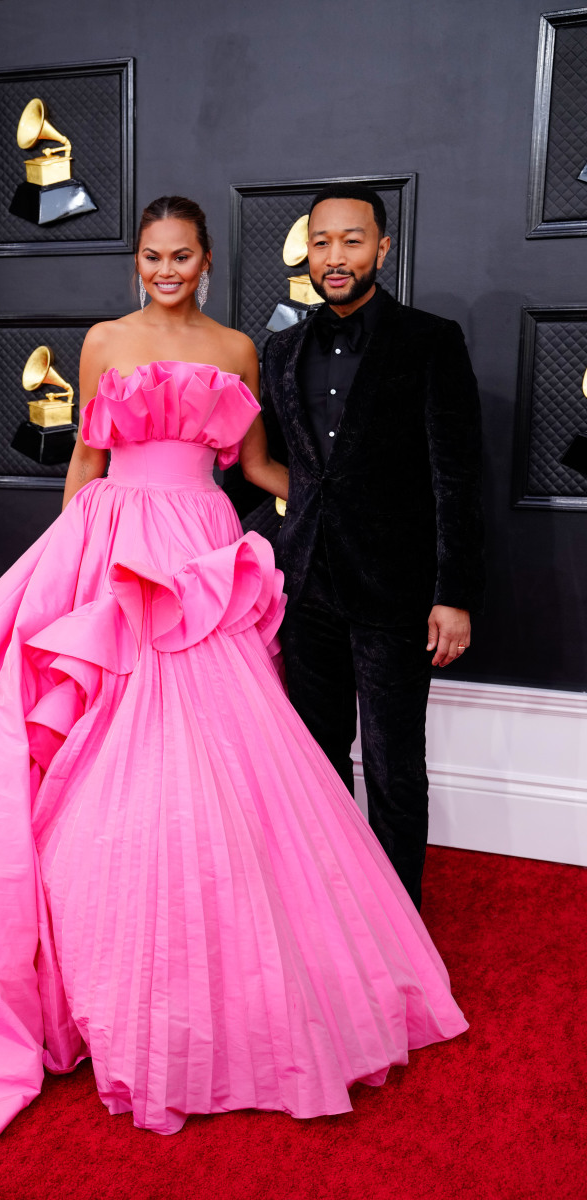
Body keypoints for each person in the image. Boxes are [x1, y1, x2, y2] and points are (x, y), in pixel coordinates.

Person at [0, 196, 467, 1139]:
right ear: (137, 260)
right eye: (152, 256)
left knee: (223, 745)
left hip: (201, 546)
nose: (165, 270)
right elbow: (86, 459)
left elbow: (262, 466)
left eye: (181, 256)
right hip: (116, 542)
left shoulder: (240, 350)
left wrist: (350, 502)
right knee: (96, 728)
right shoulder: (104, 340)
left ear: (208, 260)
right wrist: (67, 557)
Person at [256, 183, 485, 911]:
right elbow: (271, 464)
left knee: (393, 768)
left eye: (352, 240)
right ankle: (330, 908)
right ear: (307, 251)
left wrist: (453, 595)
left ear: (383, 248)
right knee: (316, 761)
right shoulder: (283, 347)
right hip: (306, 589)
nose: (335, 256)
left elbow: (456, 474)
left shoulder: (429, 339)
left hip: (396, 593)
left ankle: (396, 919)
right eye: (322, 241)